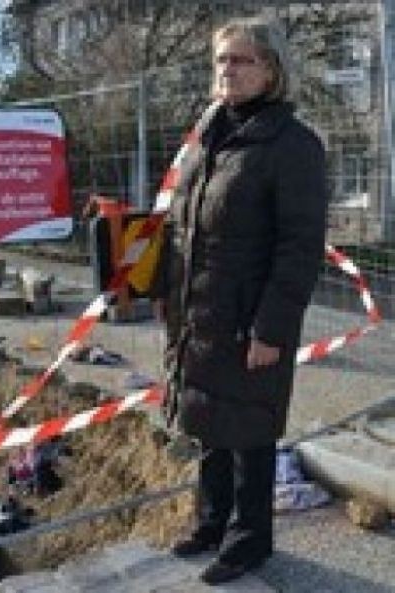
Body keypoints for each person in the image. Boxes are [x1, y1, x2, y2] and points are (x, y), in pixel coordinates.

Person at [152, 17, 328, 585]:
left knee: (250, 432)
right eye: (223, 60)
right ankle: (211, 523)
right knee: (208, 424)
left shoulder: (292, 145)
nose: (228, 69)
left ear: (272, 69)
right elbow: (184, 227)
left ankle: (249, 542)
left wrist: (271, 330)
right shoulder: (209, 135)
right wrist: (166, 296)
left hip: (251, 318)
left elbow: (299, 248)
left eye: (242, 60)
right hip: (202, 311)